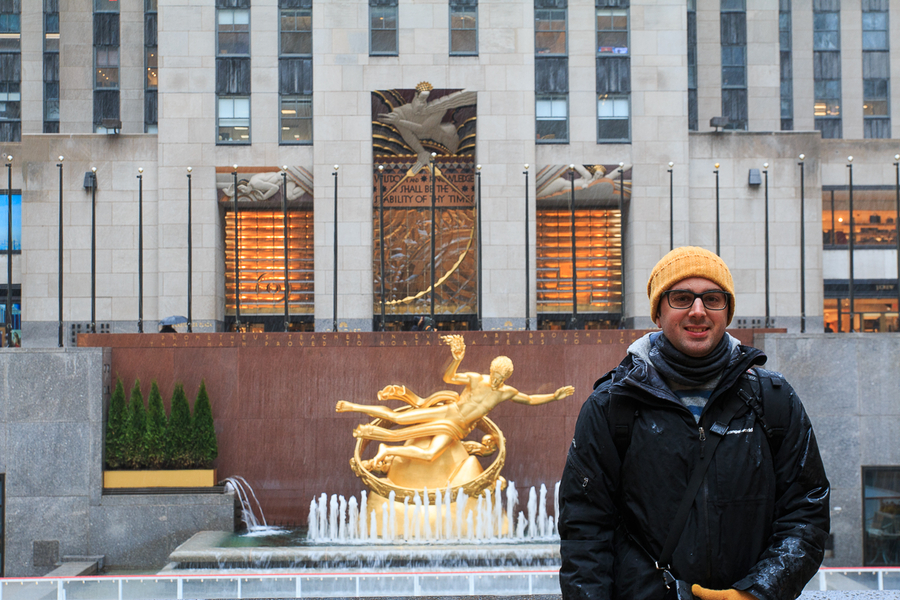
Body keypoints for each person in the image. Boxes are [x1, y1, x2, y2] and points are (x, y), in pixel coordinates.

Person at [558, 246, 830, 600]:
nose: (698, 311)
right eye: (682, 298)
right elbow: (585, 531)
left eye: (712, 298)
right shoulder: (612, 407)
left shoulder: (773, 400)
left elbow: (806, 510)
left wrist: (758, 592)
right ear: (658, 312)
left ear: (727, 311)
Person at [336, 334, 574, 470]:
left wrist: (554, 396)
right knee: (397, 418)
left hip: (456, 428)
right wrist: (456, 359)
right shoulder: (474, 379)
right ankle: (353, 406)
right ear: (490, 370)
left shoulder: (506, 392)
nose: (496, 381)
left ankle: (387, 449)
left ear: (507, 378)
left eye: (501, 379)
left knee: (430, 454)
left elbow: (530, 399)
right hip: (448, 412)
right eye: (495, 376)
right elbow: (448, 377)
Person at [378, 82, 476, 174]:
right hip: (414, 148)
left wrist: (399, 121)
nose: (421, 105)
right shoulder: (400, 112)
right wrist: (421, 152)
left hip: (446, 142)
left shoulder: (439, 109)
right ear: (415, 96)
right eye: (420, 100)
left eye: (424, 101)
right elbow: (407, 134)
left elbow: (423, 128)